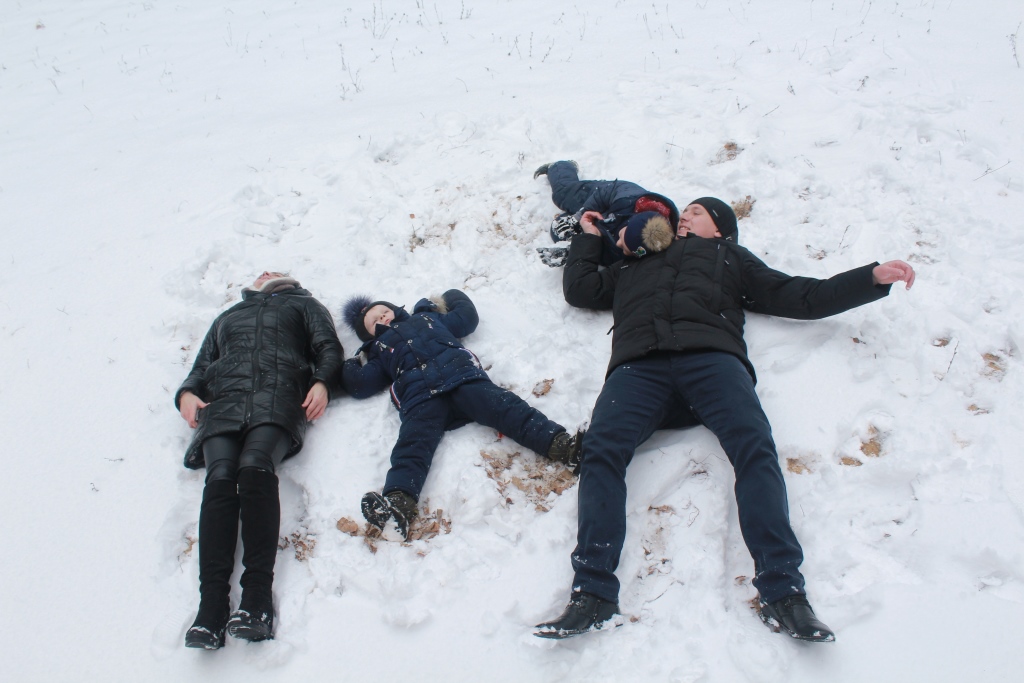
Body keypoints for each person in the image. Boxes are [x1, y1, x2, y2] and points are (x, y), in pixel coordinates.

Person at [534, 199, 916, 641]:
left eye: (697, 212)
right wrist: (588, 236)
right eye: (685, 212)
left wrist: (868, 279)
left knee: (755, 449)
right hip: (640, 368)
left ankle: (784, 592)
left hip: (712, 362)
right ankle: (592, 595)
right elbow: (580, 290)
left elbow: (801, 295)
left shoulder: (730, 258)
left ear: (721, 230)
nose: (685, 218)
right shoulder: (638, 261)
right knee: (601, 452)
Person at [176, 271, 344, 649]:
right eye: (262, 272)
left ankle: (256, 600)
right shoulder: (229, 316)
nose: (269, 272)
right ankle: (211, 609)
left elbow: (328, 347)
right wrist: (187, 393)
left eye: (278, 271)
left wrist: (322, 382)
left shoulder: (305, 305)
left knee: (254, 467)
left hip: (278, 394)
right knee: (219, 478)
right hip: (223, 400)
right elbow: (202, 365)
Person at [341, 289, 583, 541]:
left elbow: (466, 318)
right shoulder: (379, 350)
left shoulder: (427, 318)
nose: (383, 319)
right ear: (368, 335)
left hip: (463, 379)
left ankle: (563, 447)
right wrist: (350, 363)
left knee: (507, 408)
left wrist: (451, 296)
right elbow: (360, 384)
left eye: (384, 312)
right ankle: (398, 505)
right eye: (375, 322)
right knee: (412, 444)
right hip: (420, 397)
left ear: (395, 309)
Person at [533, 160, 680, 266]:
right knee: (563, 195)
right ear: (629, 223)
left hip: (605, 224)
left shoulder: (642, 248)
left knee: (558, 229)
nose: (618, 243)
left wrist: (574, 251)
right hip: (602, 200)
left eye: (625, 248)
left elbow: (609, 254)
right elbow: (604, 193)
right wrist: (579, 216)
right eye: (622, 239)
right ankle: (561, 166)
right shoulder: (630, 197)